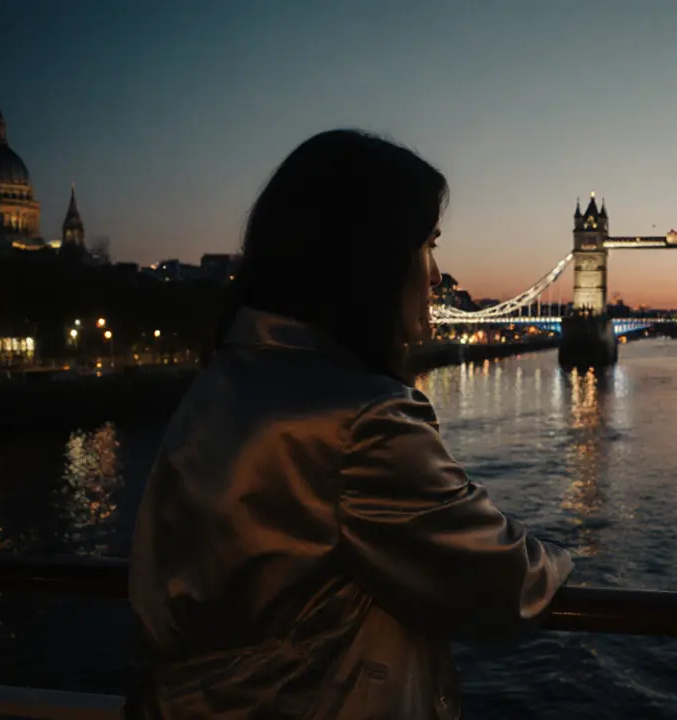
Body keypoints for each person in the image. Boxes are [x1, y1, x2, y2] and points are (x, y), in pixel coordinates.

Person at [125, 129, 574, 719]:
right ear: (369, 258)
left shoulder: (222, 381)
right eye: (428, 246)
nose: (436, 276)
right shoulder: (366, 420)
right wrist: (571, 557)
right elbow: (507, 583)